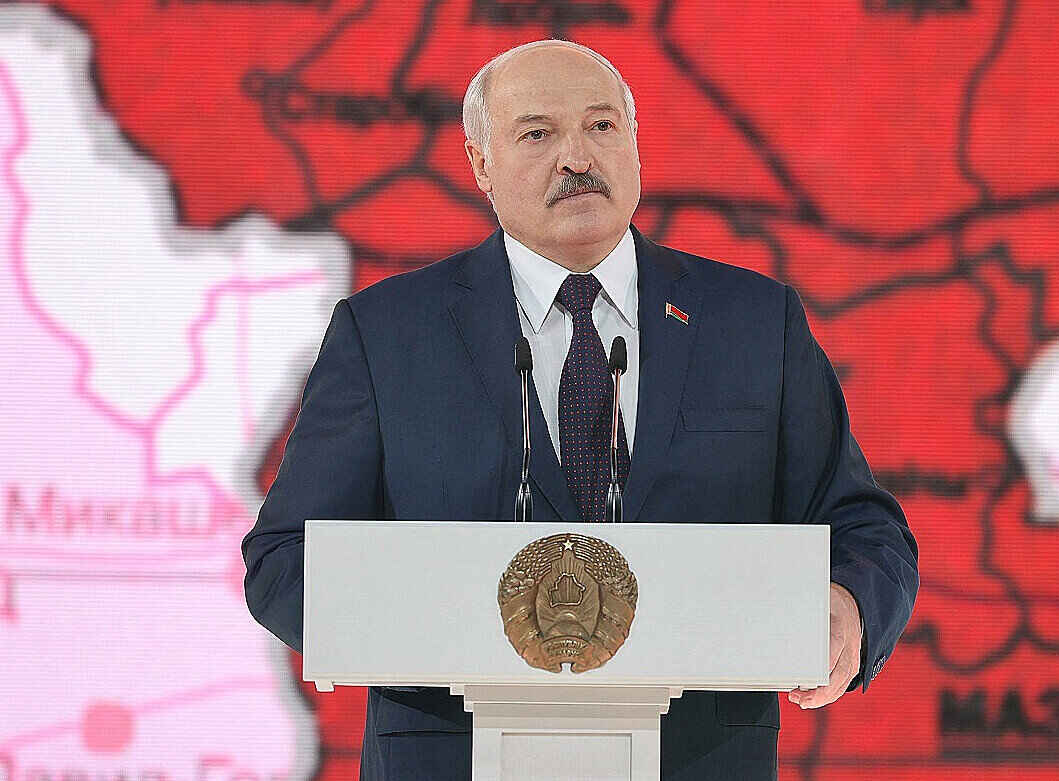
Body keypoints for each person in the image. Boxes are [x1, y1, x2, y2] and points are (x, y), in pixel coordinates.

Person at [242, 39, 918, 781]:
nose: (577, 157)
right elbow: (284, 560)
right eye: (538, 134)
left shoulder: (753, 323)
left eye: (601, 126)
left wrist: (852, 606)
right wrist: (430, 625)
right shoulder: (387, 334)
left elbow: (863, 526)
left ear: (635, 147)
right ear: (480, 164)